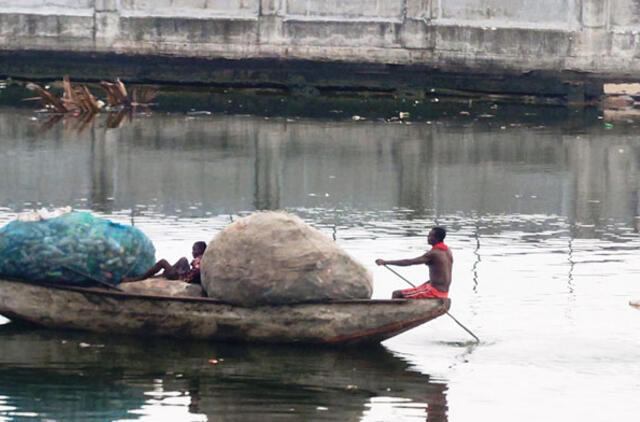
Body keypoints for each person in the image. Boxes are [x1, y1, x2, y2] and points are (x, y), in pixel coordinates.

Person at [375, 227, 452, 299]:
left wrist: (385, 262)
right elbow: (441, 276)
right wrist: (420, 287)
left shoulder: (433, 253)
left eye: (430, 236)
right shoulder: (448, 251)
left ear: (437, 238)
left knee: (396, 294)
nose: (427, 238)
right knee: (417, 289)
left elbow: (409, 262)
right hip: (444, 291)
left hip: (435, 292)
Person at [122, 241, 207, 284]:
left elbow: (195, 271)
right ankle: (159, 275)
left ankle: (138, 278)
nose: (192, 252)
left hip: (182, 278)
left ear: (200, 250)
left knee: (163, 262)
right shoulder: (204, 258)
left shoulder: (199, 259)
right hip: (185, 275)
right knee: (183, 260)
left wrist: (181, 273)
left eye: (194, 250)